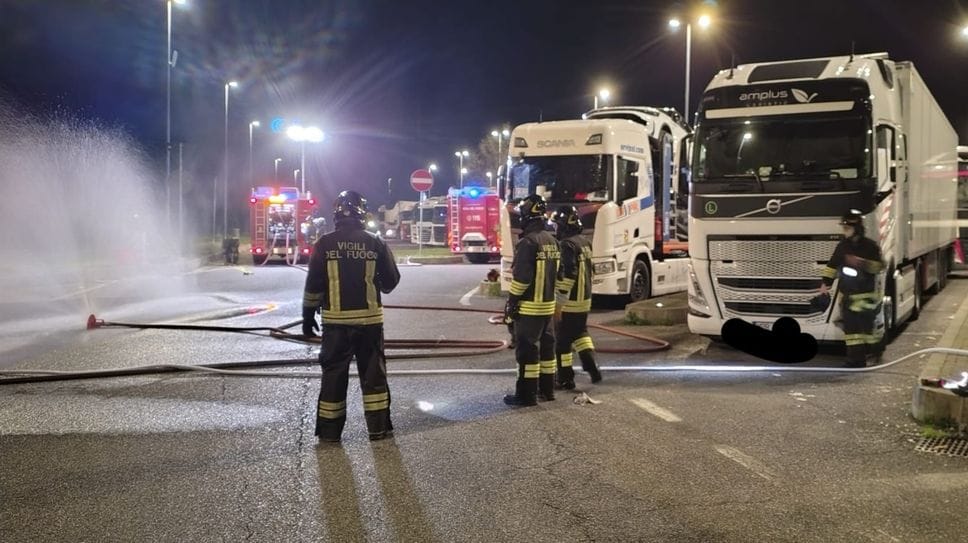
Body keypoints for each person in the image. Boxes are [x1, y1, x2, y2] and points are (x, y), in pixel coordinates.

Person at [302, 190, 401, 442]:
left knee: (334, 375)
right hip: (369, 323)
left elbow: (313, 283)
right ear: (362, 213)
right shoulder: (375, 242)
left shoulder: (324, 244)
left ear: (336, 214)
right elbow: (391, 281)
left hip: (335, 325)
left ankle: (329, 433)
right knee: (373, 376)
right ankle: (378, 430)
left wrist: (307, 315)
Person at [503, 194, 560, 406]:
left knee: (527, 352)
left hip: (529, 308)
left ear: (527, 215)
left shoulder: (528, 242)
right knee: (547, 350)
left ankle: (526, 395)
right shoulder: (553, 241)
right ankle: (547, 390)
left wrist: (512, 301)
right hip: (548, 307)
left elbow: (522, 278)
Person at [819, 209, 885, 368]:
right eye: (844, 228)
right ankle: (855, 360)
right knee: (852, 332)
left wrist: (860, 263)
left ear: (857, 228)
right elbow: (832, 265)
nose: (845, 231)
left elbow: (879, 266)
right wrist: (825, 283)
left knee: (868, 331)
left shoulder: (870, 246)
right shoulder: (842, 246)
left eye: (847, 228)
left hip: (866, 296)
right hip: (848, 295)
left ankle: (874, 353)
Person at [550, 205, 602, 389]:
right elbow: (591, 271)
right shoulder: (585, 242)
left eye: (556, 225)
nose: (555, 229)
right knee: (580, 333)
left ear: (564, 225)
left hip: (570, 302)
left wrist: (559, 303)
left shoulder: (567, 245)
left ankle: (565, 378)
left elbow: (568, 274)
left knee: (562, 342)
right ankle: (592, 367)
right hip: (584, 300)